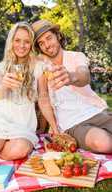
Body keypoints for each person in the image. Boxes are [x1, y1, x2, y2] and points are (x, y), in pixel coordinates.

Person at [0, 22, 58, 160]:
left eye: (26, 41)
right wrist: (4, 85)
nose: (22, 46)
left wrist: (55, 129)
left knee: (19, 150)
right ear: (11, 41)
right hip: (1, 117)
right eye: (17, 40)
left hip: (23, 121)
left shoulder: (38, 67)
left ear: (31, 44)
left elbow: (44, 100)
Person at [32, 19, 112, 153]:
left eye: (49, 38)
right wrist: (56, 130)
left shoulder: (76, 56)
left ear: (57, 35)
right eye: (41, 43)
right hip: (71, 123)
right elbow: (43, 99)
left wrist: (71, 77)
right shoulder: (41, 66)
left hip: (96, 112)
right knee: (104, 143)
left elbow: (84, 75)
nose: (46, 45)